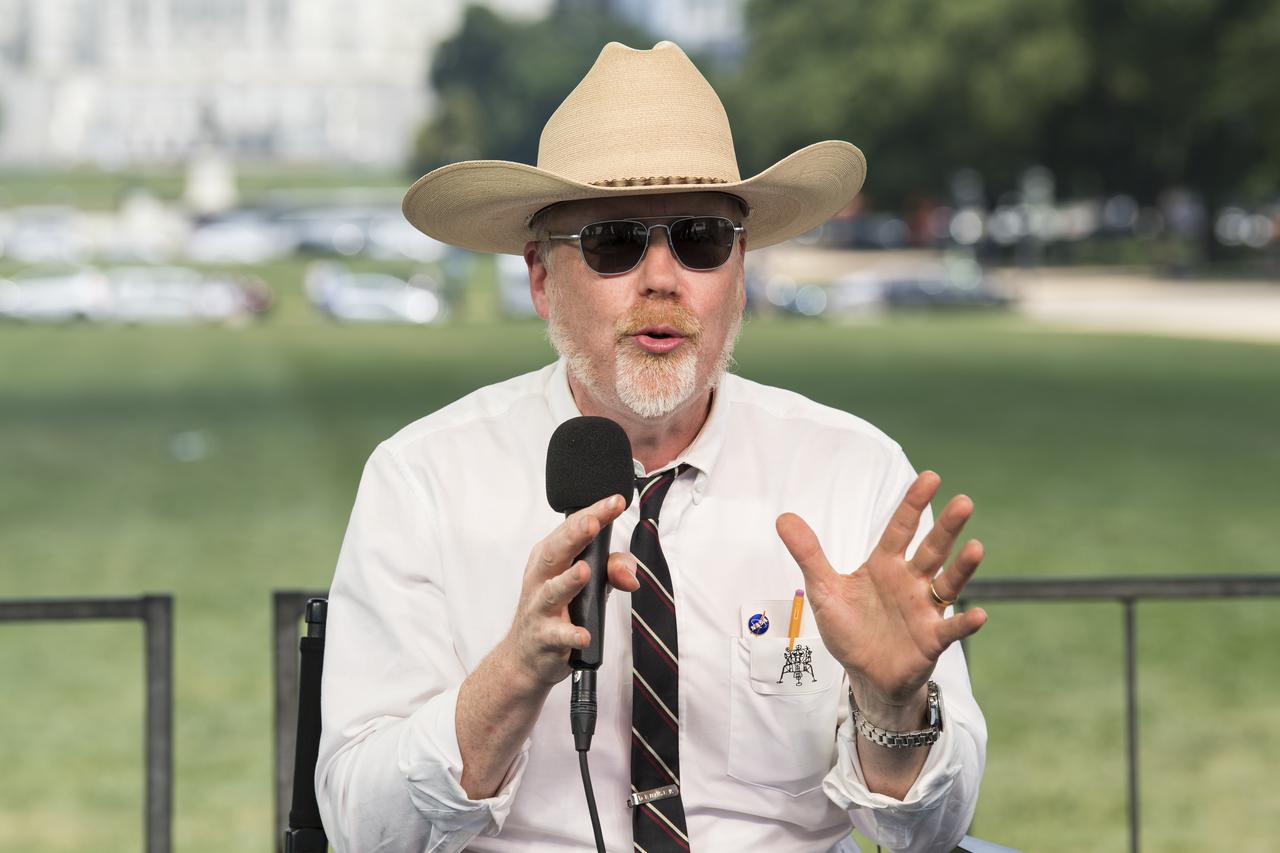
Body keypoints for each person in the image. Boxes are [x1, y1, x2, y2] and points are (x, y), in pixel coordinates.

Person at [318, 41, 988, 853]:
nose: (663, 278)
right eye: (612, 242)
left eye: (702, 238)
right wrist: (513, 676)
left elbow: (934, 833)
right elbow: (360, 831)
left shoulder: (850, 472)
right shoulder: (423, 479)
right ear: (539, 277)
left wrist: (892, 710)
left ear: (740, 270)